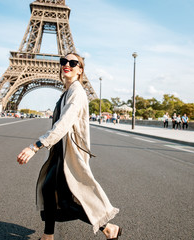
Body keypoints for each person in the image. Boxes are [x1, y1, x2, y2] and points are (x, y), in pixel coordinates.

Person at [17, 53, 122, 240]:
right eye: (63, 61)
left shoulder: (78, 92)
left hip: (69, 154)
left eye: (73, 63)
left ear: (80, 69)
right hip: (60, 152)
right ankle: (48, 236)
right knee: (48, 190)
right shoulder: (67, 92)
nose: (67, 65)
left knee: (64, 201)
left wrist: (35, 146)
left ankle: (108, 227)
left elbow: (64, 123)